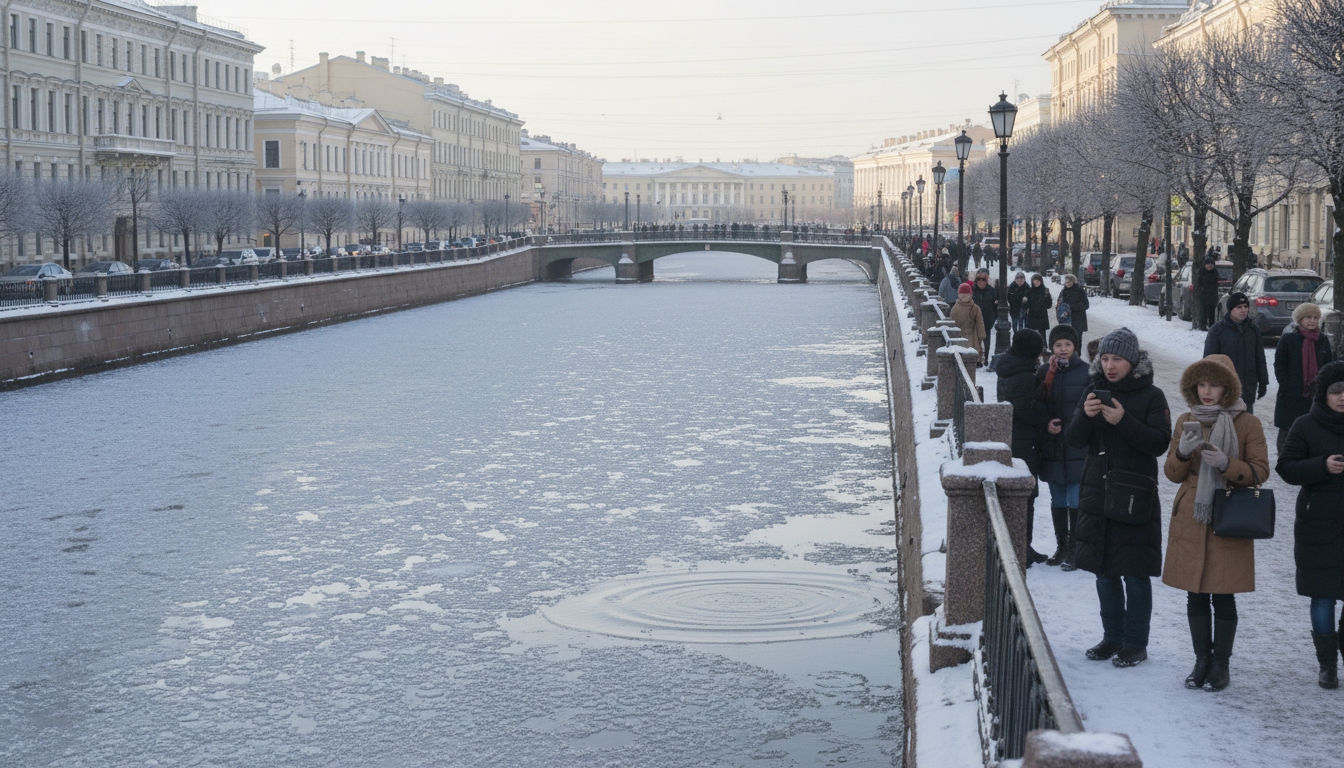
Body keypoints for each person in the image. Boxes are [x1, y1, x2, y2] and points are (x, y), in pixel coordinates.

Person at [1066, 327, 1172, 667]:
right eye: (1106, 359)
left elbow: (1158, 443)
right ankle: (1112, 637)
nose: (1110, 366)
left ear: (1133, 361)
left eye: (1118, 359)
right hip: (1097, 490)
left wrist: (1124, 421)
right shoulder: (1093, 390)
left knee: (1135, 574)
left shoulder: (1152, 396)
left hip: (1134, 495)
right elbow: (1074, 440)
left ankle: (1136, 643)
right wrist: (1086, 416)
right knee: (1104, 571)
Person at [1164, 355, 1269, 691]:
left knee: (1223, 595)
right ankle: (1201, 661)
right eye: (1201, 384)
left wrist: (1226, 464)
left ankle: (1221, 664)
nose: (1206, 392)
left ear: (1228, 388)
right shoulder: (1186, 419)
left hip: (1228, 516)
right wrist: (1182, 453)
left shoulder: (1248, 423)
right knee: (1194, 594)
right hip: (1192, 517)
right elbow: (1171, 474)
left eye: (1214, 385)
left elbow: (1260, 471)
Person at [1276, 361, 1344, 690]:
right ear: (1323, 394)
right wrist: (1322, 466)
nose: (1342, 397)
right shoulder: (1305, 424)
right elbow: (1286, 467)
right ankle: (1327, 665)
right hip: (1318, 524)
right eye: (1336, 391)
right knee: (1323, 597)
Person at [1037, 324, 1089, 569]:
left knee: (1076, 498)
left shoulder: (1086, 373)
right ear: (1052, 348)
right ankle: (1062, 546)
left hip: (1078, 445)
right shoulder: (1045, 372)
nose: (1063, 349)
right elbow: (1037, 406)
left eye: (1067, 344)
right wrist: (1046, 423)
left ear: (1075, 346)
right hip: (1054, 446)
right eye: (1058, 345)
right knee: (1058, 497)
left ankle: (1076, 548)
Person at [998, 329, 1050, 564]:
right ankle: (1023, 547)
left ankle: (1016, 544)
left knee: (1019, 493)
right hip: (1025, 441)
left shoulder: (1008, 367)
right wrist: (1045, 415)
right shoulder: (1025, 376)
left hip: (1011, 437)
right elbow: (1024, 409)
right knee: (1027, 494)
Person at [1274, 303, 1333, 453]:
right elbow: (1280, 365)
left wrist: (1323, 389)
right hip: (1291, 395)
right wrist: (1286, 386)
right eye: (1308, 317)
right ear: (1300, 319)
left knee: (1314, 429)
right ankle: (1285, 458)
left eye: (1315, 317)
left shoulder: (1322, 340)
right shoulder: (1289, 339)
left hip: (1315, 395)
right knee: (1288, 430)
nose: (1312, 321)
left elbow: (1328, 367)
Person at [1204, 292, 1269, 414]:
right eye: (1239, 307)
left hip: (1248, 388)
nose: (1243, 310)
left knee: (1246, 422)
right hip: (1225, 389)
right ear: (1231, 309)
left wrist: (1263, 382)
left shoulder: (1253, 330)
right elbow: (1209, 361)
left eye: (1245, 307)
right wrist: (1211, 386)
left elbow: (1259, 358)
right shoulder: (1218, 330)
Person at [950, 282, 986, 360]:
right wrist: (981, 338)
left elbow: (952, 326)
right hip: (972, 339)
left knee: (961, 360)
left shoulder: (954, 308)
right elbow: (980, 326)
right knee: (971, 360)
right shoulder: (975, 308)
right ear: (971, 295)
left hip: (959, 340)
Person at [972, 269, 999, 357]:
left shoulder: (992, 291)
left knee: (986, 342)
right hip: (974, 321)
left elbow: (996, 307)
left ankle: (986, 358)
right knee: (975, 342)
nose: (981, 281)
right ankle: (978, 359)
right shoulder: (972, 291)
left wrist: (992, 318)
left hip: (987, 321)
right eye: (978, 279)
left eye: (983, 279)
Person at [1058, 273, 1090, 348]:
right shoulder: (1063, 291)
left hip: (1078, 318)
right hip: (1067, 319)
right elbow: (1060, 305)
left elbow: (1086, 305)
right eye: (1066, 282)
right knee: (1068, 339)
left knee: (1077, 339)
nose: (1067, 284)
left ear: (1073, 282)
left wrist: (1071, 307)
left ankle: (1077, 354)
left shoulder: (1080, 291)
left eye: (1069, 282)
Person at [1195, 258, 1221, 332]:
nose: (1209, 267)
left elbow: (1216, 283)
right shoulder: (1201, 272)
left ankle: (1211, 325)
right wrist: (1201, 289)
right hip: (1204, 295)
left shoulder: (1215, 272)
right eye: (1208, 265)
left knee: (1212, 311)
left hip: (1212, 295)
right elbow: (1198, 283)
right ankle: (1202, 325)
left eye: (1211, 265)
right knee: (1203, 311)